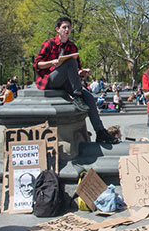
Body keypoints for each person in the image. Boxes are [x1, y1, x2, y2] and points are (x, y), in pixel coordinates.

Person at [33, 16, 118, 144]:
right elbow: (37, 64)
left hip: (66, 81)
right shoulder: (49, 43)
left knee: (89, 97)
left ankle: (100, 132)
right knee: (70, 62)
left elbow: (75, 69)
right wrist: (51, 62)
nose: (67, 30)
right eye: (64, 27)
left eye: (69, 27)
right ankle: (77, 95)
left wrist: (81, 72)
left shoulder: (72, 47)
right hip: (49, 79)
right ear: (58, 29)